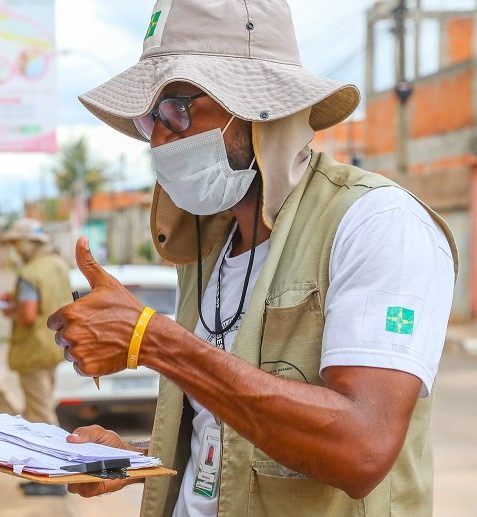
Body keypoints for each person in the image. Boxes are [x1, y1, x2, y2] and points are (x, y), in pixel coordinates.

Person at [47, 1, 457, 516]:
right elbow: (230, 440)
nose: (158, 137)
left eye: (177, 107)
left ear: (257, 105)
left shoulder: (379, 224)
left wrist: (155, 340)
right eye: (147, 117)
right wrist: (132, 461)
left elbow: (362, 448)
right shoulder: (210, 247)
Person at [0, 217, 70, 427]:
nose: (16, 250)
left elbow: (28, 315)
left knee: (41, 416)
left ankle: (56, 457)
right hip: (55, 346)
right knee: (38, 407)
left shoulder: (29, 273)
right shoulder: (58, 265)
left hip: (33, 351)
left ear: (27, 243)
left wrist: (12, 310)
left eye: (17, 244)